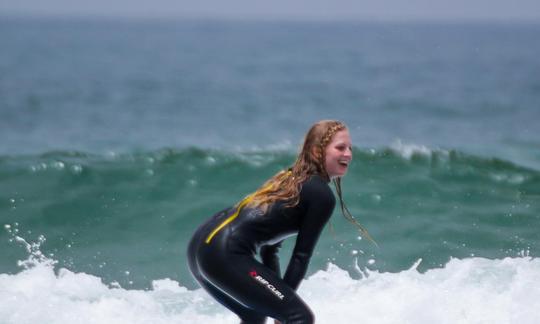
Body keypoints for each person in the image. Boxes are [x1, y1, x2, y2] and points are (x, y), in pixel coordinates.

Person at [187, 120, 374, 324]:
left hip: (201, 247)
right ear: (316, 152)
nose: (348, 154)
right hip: (224, 253)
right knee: (299, 317)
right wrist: (284, 307)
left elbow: (270, 249)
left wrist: (279, 297)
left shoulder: (289, 178)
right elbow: (301, 256)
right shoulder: (321, 194)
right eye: (340, 148)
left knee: (255, 315)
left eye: (350, 148)